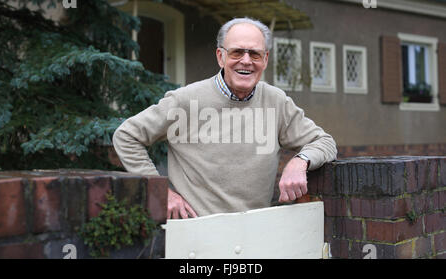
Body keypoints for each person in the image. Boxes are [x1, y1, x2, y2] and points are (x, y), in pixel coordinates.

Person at [113, 17, 337, 219]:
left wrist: (300, 161)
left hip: (257, 230)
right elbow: (126, 136)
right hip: (196, 232)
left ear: (265, 59)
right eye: (237, 52)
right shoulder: (185, 100)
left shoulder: (275, 101)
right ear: (221, 56)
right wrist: (160, 192)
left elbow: (324, 142)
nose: (246, 61)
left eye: (255, 54)